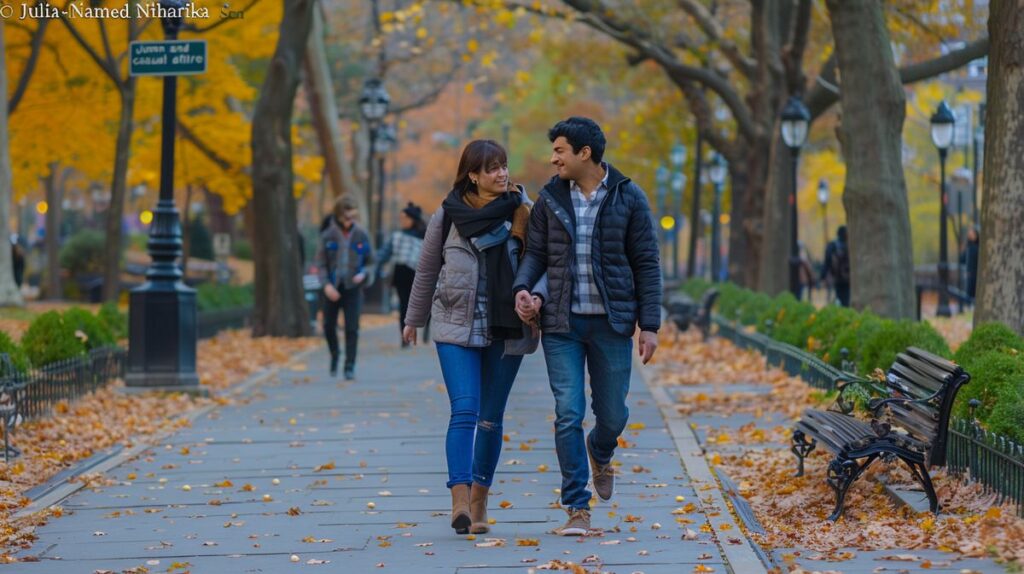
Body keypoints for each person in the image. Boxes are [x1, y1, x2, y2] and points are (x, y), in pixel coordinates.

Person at [513, 117, 662, 536]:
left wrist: (648, 326)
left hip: (612, 324)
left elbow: (647, 264)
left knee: (612, 415)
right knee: (567, 413)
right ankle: (577, 507)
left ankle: (601, 449)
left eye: (560, 150)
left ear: (585, 153)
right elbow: (536, 255)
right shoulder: (549, 200)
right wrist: (524, 288)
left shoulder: (629, 198)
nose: (552, 158)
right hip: (562, 323)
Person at [402, 140, 544, 536]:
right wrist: (413, 319)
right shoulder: (447, 216)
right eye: (492, 168)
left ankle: (480, 496)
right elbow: (427, 269)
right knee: (464, 410)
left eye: (504, 166)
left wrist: (536, 299)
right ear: (473, 175)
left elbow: (539, 262)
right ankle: (459, 499)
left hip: (505, 328)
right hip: (455, 327)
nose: (502, 174)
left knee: (490, 418)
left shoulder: (524, 212)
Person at [315, 195, 375, 380]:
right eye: (346, 217)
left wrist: (364, 273)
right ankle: (335, 355)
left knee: (352, 328)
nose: (350, 221)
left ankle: (350, 366)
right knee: (328, 326)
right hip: (332, 288)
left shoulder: (362, 234)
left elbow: (371, 261)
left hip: (353, 288)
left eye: (353, 217)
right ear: (339, 215)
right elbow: (321, 264)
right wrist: (326, 286)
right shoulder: (327, 235)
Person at [379, 202, 427, 347]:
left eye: (405, 218)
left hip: (418, 275)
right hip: (401, 275)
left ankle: (422, 330)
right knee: (403, 306)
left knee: (418, 306)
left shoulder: (425, 236)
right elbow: (384, 254)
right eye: (401, 218)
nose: (402, 221)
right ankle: (404, 338)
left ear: (413, 219)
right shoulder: (397, 236)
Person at [821, 225, 850, 307]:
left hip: (837, 278)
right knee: (846, 299)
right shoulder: (850, 245)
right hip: (848, 278)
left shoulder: (832, 245)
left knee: (838, 298)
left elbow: (826, 262)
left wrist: (823, 277)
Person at [961, 225, 980, 300]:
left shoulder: (978, 248)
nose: (971, 236)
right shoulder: (968, 248)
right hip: (970, 275)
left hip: (976, 275)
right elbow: (962, 260)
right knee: (969, 296)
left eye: (972, 234)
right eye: (970, 235)